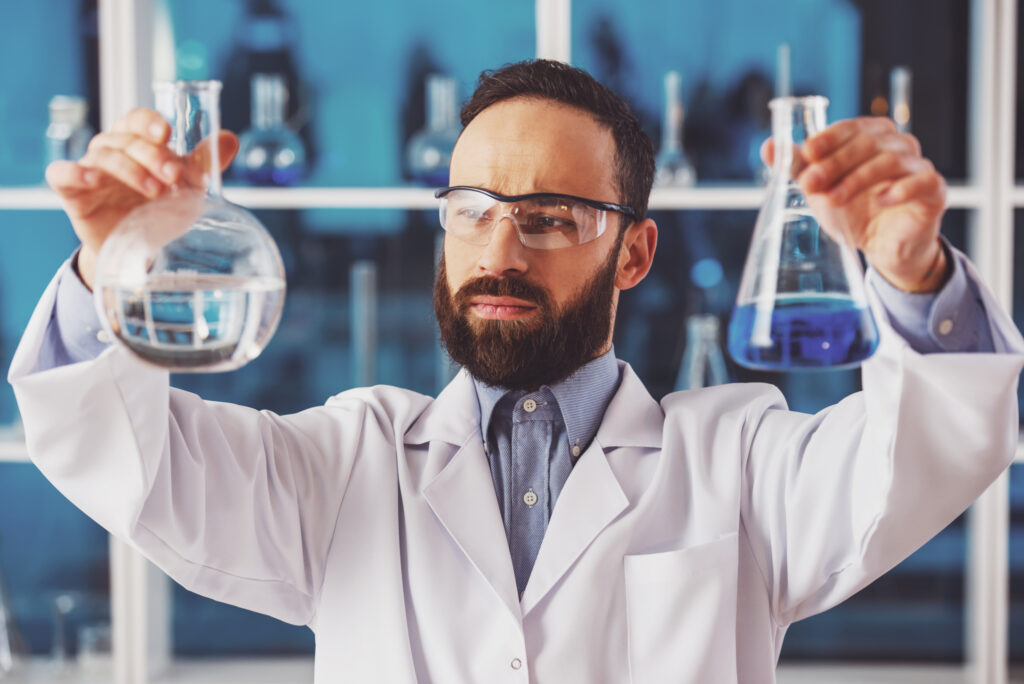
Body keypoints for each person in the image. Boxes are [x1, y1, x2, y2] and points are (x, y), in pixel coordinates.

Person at [8, 59, 1024, 683]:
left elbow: (923, 453)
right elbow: (118, 453)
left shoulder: (739, 462)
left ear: (633, 254)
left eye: (550, 218)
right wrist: (108, 263)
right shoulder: (346, 466)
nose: (500, 249)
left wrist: (911, 272)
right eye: (473, 210)